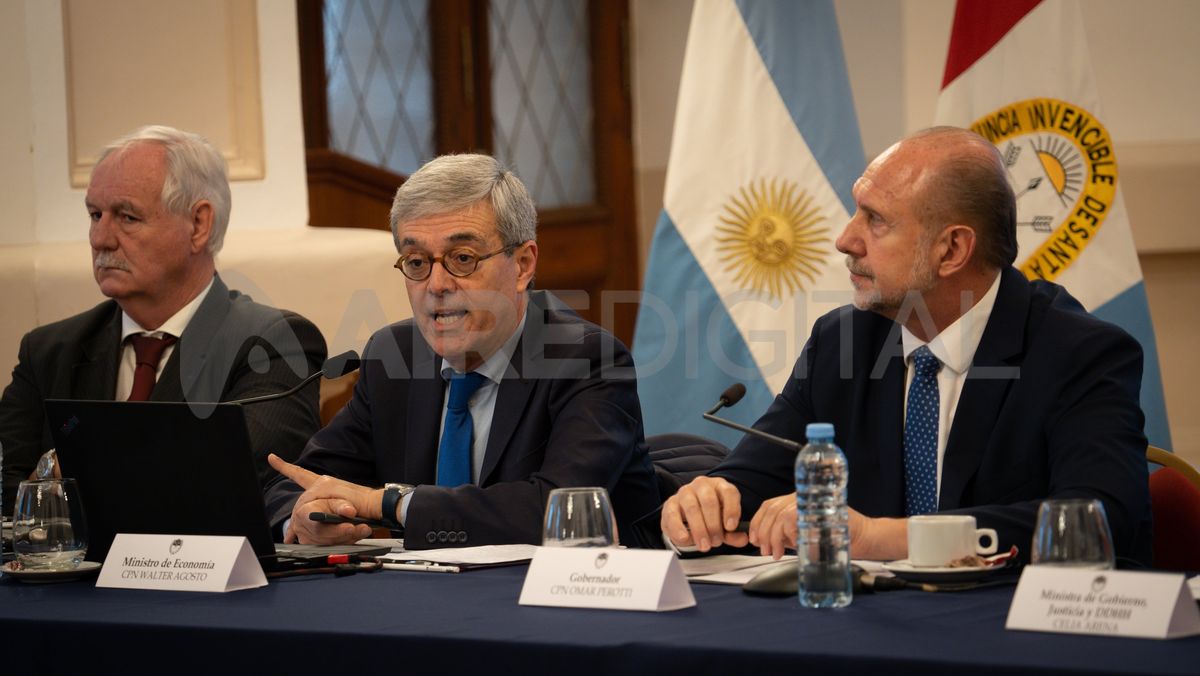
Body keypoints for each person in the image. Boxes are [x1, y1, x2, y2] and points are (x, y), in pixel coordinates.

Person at [660, 126, 1151, 566]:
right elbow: (752, 480)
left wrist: (882, 538)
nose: (845, 239)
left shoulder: (1078, 353)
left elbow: (1102, 519)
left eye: (875, 220)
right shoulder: (842, 343)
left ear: (952, 249)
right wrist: (708, 499)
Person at [265, 153, 659, 549]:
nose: (437, 284)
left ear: (523, 265)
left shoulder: (586, 359)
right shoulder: (394, 356)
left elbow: (559, 511)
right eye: (416, 262)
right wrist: (302, 518)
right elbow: (301, 482)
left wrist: (389, 504)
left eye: (463, 259)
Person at [0, 125, 327, 514]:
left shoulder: (271, 343)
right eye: (95, 214)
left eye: (127, 217)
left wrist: (64, 474)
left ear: (198, 225)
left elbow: (231, 483)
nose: (100, 238)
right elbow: (8, 494)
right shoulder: (48, 351)